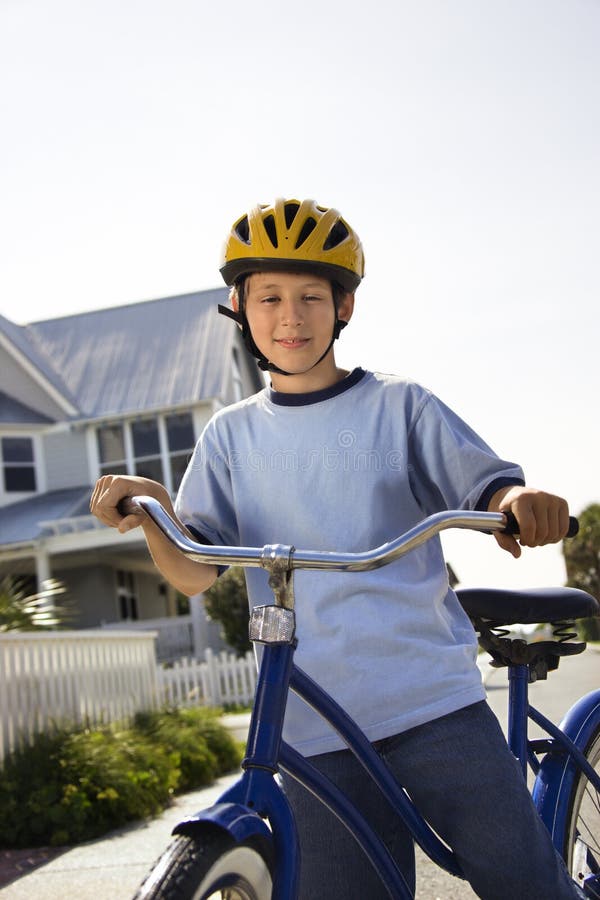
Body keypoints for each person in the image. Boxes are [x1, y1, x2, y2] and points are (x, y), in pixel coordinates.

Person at [91, 198, 581, 899]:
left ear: (344, 306)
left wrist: (512, 505)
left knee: (522, 879)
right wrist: (154, 512)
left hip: (427, 700)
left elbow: (486, 486)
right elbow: (196, 569)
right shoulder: (230, 437)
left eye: (311, 297)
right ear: (240, 306)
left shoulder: (399, 405)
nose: (290, 317)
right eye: (270, 297)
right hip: (311, 723)